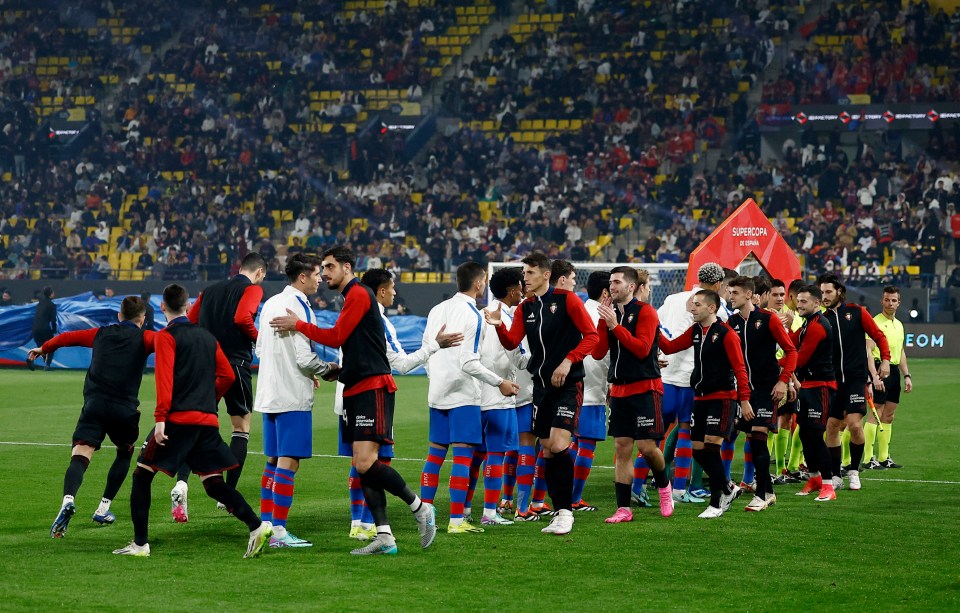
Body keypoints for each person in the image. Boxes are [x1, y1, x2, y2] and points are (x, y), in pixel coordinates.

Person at [270, 246, 437, 556]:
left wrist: (299, 325)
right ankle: (385, 536)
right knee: (364, 467)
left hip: (372, 387)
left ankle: (420, 508)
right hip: (356, 389)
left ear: (347, 267)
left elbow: (336, 337)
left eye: (330, 267)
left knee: (365, 462)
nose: (326, 273)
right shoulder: (353, 297)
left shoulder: (359, 294)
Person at [113, 284, 272, 558]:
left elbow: (165, 379)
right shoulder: (208, 338)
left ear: (162, 307)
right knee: (213, 484)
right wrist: (209, 400)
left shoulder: (166, 337)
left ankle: (140, 545)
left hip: (177, 420)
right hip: (206, 421)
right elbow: (228, 376)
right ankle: (257, 526)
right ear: (188, 306)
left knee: (141, 475)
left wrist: (161, 420)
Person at [342, 268, 463, 540]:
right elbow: (403, 364)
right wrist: (434, 346)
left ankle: (372, 524)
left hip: (354, 394)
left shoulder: (351, 313)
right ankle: (393, 520)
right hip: (366, 394)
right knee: (369, 461)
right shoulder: (377, 319)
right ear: (382, 291)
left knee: (363, 461)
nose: (396, 293)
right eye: (393, 287)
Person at [485, 254, 598, 536]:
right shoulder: (526, 307)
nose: (526, 277)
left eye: (531, 272)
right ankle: (557, 510)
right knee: (547, 448)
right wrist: (499, 325)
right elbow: (512, 342)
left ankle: (565, 512)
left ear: (546, 275)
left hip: (569, 383)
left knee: (559, 445)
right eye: (524, 273)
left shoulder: (569, 301)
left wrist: (569, 360)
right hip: (542, 387)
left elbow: (592, 336)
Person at [30, 296, 157, 537]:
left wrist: (44, 347)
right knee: (124, 452)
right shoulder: (146, 337)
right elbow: (173, 343)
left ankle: (68, 500)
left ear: (119, 315)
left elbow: (68, 338)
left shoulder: (100, 333)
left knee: (80, 454)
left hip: (94, 405)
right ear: (142, 320)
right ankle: (103, 507)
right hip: (124, 410)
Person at [419, 262, 519, 534]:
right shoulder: (473, 315)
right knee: (463, 458)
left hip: (437, 392)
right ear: (479, 283)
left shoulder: (436, 310)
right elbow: (469, 363)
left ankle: (425, 515)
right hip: (463, 395)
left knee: (434, 456)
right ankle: (455, 521)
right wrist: (500, 382)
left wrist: (436, 378)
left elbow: (427, 352)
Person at [169, 253, 267, 519]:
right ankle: (227, 496)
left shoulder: (210, 291)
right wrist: (262, 341)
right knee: (241, 427)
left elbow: (191, 321)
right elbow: (242, 319)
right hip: (234, 363)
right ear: (259, 272)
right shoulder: (253, 289)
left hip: (205, 364)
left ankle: (181, 483)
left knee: (195, 423)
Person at [253, 253, 338, 548]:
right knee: (288, 463)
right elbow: (304, 357)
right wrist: (325, 370)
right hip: (291, 395)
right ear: (303, 276)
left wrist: (289, 368)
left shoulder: (270, 303)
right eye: (317, 274)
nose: (320, 279)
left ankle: (265, 525)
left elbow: (261, 350)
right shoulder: (301, 307)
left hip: (269, 392)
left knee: (273, 460)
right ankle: (278, 531)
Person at [658, 290, 751, 519]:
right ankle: (728, 487)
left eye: (697, 305)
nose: (692, 309)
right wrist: (652, 329)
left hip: (722, 398)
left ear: (712, 308)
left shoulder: (727, 334)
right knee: (697, 450)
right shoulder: (696, 331)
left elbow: (740, 369)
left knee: (710, 447)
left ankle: (716, 502)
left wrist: (745, 400)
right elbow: (670, 347)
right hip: (699, 398)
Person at [592, 267, 674, 523]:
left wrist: (615, 326)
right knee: (622, 447)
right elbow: (597, 353)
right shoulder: (611, 314)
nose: (611, 286)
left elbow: (641, 349)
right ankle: (624, 508)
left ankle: (664, 487)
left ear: (631, 286)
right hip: (619, 390)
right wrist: (603, 322)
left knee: (648, 447)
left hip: (645, 388)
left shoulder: (646, 312)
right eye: (610, 282)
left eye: (617, 282)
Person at [656, 262, 728, 504]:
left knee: (657, 434)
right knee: (691, 433)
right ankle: (688, 487)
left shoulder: (672, 298)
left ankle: (647, 486)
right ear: (718, 284)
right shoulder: (718, 308)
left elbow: (659, 331)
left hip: (666, 376)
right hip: (697, 382)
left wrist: (657, 355)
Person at [726, 276, 798, 511]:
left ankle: (761, 494)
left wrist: (783, 381)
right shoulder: (731, 322)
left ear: (748, 294)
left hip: (767, 389)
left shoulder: (768, 319)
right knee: (752, 440)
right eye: (729, 292)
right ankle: (767, 491)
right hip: (743, 390)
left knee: (758, 437)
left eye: (734, 292)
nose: (730, 296)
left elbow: (791, 352)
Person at [818, 274, 891, 491]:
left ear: (839, 291)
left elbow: (879, 336)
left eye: (828, 292)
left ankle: (854, 471)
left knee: (855, 425)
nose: (824, 296)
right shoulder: (822, 319)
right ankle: (834, 474)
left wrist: (885, 360)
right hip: (832, 382)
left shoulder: (857, 312)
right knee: (831, 426)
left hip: (855, 380)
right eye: (821, 293)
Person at [477, 266, 527, 526]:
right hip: (499, 394)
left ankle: (463, 510)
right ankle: (489, 512)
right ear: (512, 291)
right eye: (521, 285)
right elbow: (518, 359)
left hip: (481, 394)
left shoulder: (482, 313)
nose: (524, 289)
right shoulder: (505, 319)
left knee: (479, 455)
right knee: (496, 454)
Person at [788, 285, 838, 502]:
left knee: (815, 436)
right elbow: (791, 343)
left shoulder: (818, 326)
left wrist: (772, 364)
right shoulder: (809, 324)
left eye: (804, 302)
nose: (799, 305)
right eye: (798, 301)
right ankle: (815, 478)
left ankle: (829, 484)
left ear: (816, 303)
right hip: (807, 387)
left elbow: (799, 358)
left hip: (821, 387)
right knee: (805, 434)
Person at [571, 270, 611, 513]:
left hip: (572, 387)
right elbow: (603, 355)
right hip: (593, 387)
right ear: (606, 292)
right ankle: (574, 499)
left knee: (572, 442)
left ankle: (560, 493)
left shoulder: (578, 308)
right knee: (586, 444)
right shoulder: (603, 315)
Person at [863, 286, 912, 470]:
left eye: (894, 300)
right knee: (875, 413)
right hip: (879, 369)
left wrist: (906, 375)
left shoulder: (898, 325)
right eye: (887, 300)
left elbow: (900, 352)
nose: (890, 303)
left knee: (889, 415)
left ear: (899, 303)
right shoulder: (874, 323)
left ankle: (884, 457)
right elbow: (868, 351)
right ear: (882, 301)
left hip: (894, 372)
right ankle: (868, 458)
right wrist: (874, 376)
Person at [30, 286, 57, 370]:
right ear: (51, 294)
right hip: (45, 329)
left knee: (40, 348)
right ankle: (47, 365)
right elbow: (53, 319)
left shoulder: (39, 304)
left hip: (35, 329)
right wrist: (54, 329)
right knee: (52, 346)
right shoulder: (52, 305)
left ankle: (30, 360)